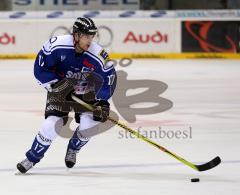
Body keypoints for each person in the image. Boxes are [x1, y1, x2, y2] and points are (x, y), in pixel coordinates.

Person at [16, 17, 117, 173]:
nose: (89, 40)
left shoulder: (98, 55)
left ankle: (73, 148)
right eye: (86, 36)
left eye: (92, 36)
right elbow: (40, 69)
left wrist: (102, 101)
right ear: (75, 35)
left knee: (89, 126)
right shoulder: (57, 45)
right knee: (51, 125)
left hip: (86, 92)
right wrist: (57, 85)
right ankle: (32, 158)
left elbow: (110, 80)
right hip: (59, 89)